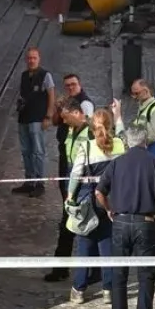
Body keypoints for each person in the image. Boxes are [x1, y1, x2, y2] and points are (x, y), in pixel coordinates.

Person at [95, 123, 155, 309]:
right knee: (146, 275)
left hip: (120, 222)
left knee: (119, 276)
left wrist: (110, 210)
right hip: (146, 223)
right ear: (145, 142)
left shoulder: (116, 164)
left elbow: (99, 192)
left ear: (127, 142)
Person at [67, 106, 125, 304]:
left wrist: (69, 196)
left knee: (85, 244)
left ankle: (79, 288)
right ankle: (108, 289)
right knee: (107, 244)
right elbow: (123, 133)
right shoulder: (119, 144)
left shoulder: (87, 147)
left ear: (92, 128)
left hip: (90, 201)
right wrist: (118, 115)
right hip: (112, 201)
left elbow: (76, 174)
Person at [44, 73, 95, 282]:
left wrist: (71, 192)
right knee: (70, 225)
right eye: (67, 85)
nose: (64, 121)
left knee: (80, 228)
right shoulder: (71, 132)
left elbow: (84, 166)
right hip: (72, 182)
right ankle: (65, 269)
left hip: (83, 188)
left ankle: (84, 272)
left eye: (74, 84)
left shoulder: (87, 126)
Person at [14, 47, 55, 197]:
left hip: (38, 118)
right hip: (24, 118)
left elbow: (51, 95)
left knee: (38, 151)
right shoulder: (24, 75)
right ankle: (29, 180)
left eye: (34, 58)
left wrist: (48, 116)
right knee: (26, 151)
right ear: (27, 60)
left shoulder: (45, 75)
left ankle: (40, 182)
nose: (31, 60)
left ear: (39, 59)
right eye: (29, 58)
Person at [125, 79, 155, 160]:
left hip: (152, 151)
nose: (133, 97)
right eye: (132, 93)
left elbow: (153, 136)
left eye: (136, 93)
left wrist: (135, 143)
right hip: (143, 150)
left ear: (145, 91)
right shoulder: (143, 106)